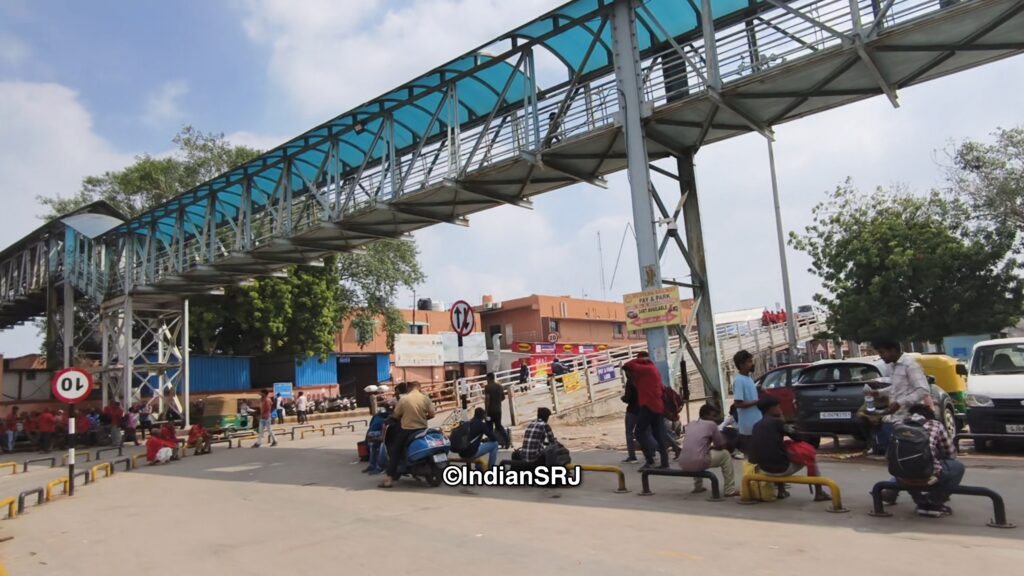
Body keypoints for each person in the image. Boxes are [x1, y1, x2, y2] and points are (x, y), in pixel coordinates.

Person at [886, 403, 964, 517]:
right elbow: (950, 453)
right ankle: (935, 503)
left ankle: (921, 502)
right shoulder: (935, 424)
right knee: (958, 467)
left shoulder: (897, 425)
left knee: (907, 467)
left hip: (901, 476)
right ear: (930, 416)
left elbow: (889, 454)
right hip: (928, 475)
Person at [748, 396, 831, 501]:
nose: (780, 409)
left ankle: (781, 491)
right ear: (772, 409)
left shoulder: (756, 425)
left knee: (778, 450)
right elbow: (798, 437)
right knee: (810, 457)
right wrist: (782, 418)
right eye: (778, 407)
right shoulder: (777, 422)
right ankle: (819, 492)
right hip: (782, 469)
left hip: (764, 469)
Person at [870, 339, 931, 453]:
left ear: (893, 350)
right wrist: (879, 393)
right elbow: (896, 388)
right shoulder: (892, 366)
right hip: (895, 418)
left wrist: (900, 402)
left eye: (882, 353)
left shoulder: (910, 365)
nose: (881, 356)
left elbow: (923, 390)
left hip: (910, 418)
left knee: (908, 455)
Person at [380, 381, 435, 488]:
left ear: (409, 388)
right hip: (423, 429)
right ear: (419, 388)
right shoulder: (425, 398)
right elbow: (432, 414)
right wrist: (423, 418)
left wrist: (395, 418)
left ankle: (389, 480)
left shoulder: (404, 399)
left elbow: (396, 415)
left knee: (395, 452)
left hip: (408, 430)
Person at [677, 405, 738, 497]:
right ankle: (729, 490)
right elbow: (721, 445)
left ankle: (698, 486)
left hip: (682, 462)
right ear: (704, 415)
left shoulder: (691, 423)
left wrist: (710, 448)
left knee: (699, 453)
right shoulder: (711, 425)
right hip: (697, 462)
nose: (717, 418)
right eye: (713, 416)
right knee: (725, 455)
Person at [623, 351, 669, 469]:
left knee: (639, 432)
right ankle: (664, 462)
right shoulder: (653, 370)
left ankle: (651, 456)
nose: (630, 376)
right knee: (658, 434)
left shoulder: (646, 370)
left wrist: (640, 360)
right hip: (657, 406)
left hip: (649, 405)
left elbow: (628, 364)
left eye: (629, 374)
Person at [731, 350, 761, 452]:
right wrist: (757, 402)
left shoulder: (748, 378)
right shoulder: (739, 380)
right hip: (748, 427)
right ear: (741, 364)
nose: (751, 364)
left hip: (755, 424)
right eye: (749, 362)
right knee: (751, 459)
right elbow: (738, 404)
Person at [363, 404, 392, 475]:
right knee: (373, 446)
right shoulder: (379, 417)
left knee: (381, 448)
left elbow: (385, 431)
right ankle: (373, 466)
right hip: (377, 434)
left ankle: (379, 467)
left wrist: (380, 437)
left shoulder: (386, 419)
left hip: (383, 435)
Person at [483, 372, 509, 448]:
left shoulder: (487, 387)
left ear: (489, 378)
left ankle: (492, 443)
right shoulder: (500, 386)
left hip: (490, 411)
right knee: (499, 426)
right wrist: (497, 401)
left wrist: (486, 411)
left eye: (487, 378)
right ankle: (507, 440)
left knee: (489, 427)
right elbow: (503, 397)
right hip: (498, 410)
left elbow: (487, 400)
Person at [620, 369, 640, 464]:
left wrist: (623, 398)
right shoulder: (641, 379)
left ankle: (632, 456)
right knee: (646, 432)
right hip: (643, 409)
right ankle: (651, 453)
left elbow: (629, 397)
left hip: (632, 410)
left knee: (629, 433)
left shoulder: (630, 382)